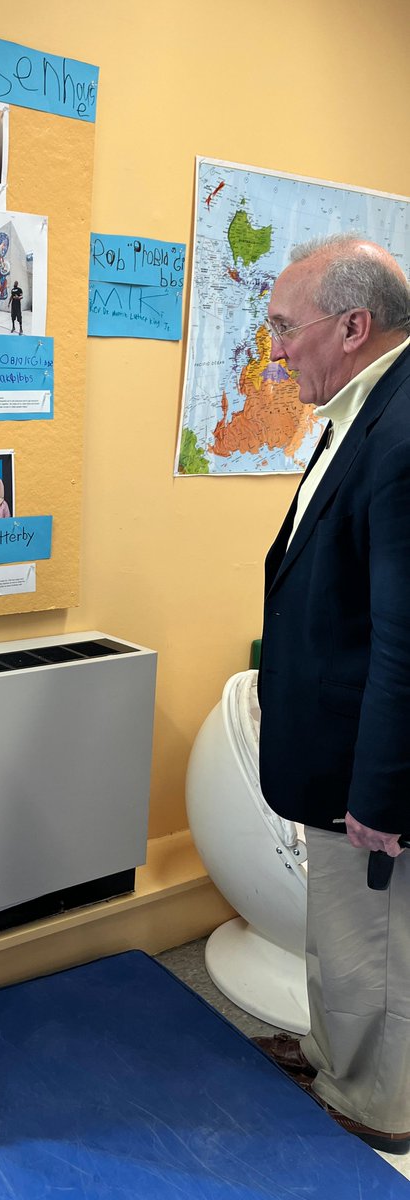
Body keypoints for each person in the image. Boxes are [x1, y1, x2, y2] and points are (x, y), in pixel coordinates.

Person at [252, 235, 410, 1154]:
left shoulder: (401, 434)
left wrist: (383, 792)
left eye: (284, 326)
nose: (276, 347)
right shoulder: (366, 407)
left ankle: (375, 1102)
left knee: (377, 941)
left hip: (371, 765)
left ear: (352, 327)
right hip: (335, 740)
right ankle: (332, 1050)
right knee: (339, 929)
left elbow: (406, 637)